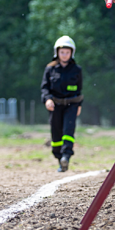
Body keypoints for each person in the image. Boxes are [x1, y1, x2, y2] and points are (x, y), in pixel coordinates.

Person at [40, 36, 83, 172]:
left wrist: (79, 105)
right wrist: (47, 99)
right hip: (55, 105)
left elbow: (79, 89)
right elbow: (44, 88)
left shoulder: (77, 70)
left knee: (68, 130)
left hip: (72, 105)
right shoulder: (49, 69)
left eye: (67, 52)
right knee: (56, 132)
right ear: (57, 52)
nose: (64, 55)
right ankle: (59, 158)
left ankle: (66, 156)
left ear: (72, 53)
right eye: (62, 52)